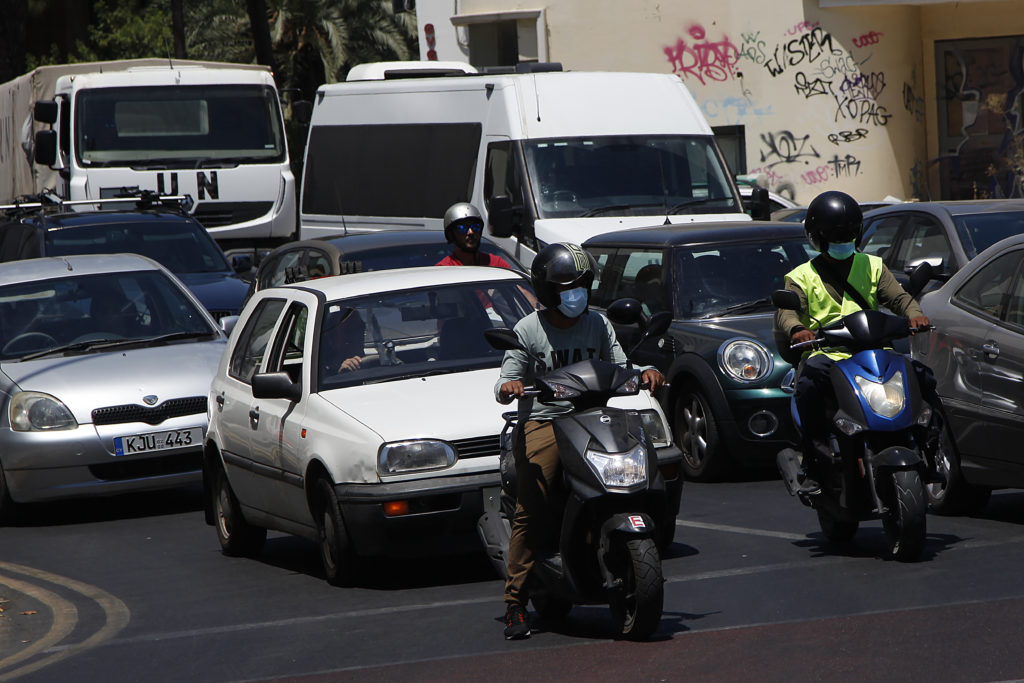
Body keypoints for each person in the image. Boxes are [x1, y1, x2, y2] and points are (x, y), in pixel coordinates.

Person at [494, 242, 666, 640]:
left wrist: (647, 371)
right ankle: (515, 603)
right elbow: (506, 380)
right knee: (533, 504)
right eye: (567, 287)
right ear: (548, 290)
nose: (576, 294)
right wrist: (513, 387)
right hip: (545, 420)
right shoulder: (527, 330)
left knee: (645, 468)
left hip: (594, 415)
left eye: (582, 285)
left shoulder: (598, 323)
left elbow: (621, 364)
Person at [773, 190, 939, 492]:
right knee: (808, 387)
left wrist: (915, 315)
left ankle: (931, 448)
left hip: (873, 352)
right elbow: (787, 311)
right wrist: (798, 330)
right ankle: (812, 458)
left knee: (923, 378)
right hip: (826, 354)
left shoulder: (873, 266)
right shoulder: (800, 276)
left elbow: (901, 298)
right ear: (817, 237)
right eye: (835, 235)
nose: (842, 241)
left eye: (848, 233)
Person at [435, 202, 513, 269]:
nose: (471, 232)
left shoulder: (496, 264)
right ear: (451, 235)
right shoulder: (443, 270)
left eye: (476, 227)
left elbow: (518, 286)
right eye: (463, 228)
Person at [320, 307, 365, 375]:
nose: (356, 337)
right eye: (349, 332)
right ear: (332, 338)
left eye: (358, 329)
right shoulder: (321, 371)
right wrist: (342, 374)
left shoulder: (379, 362)